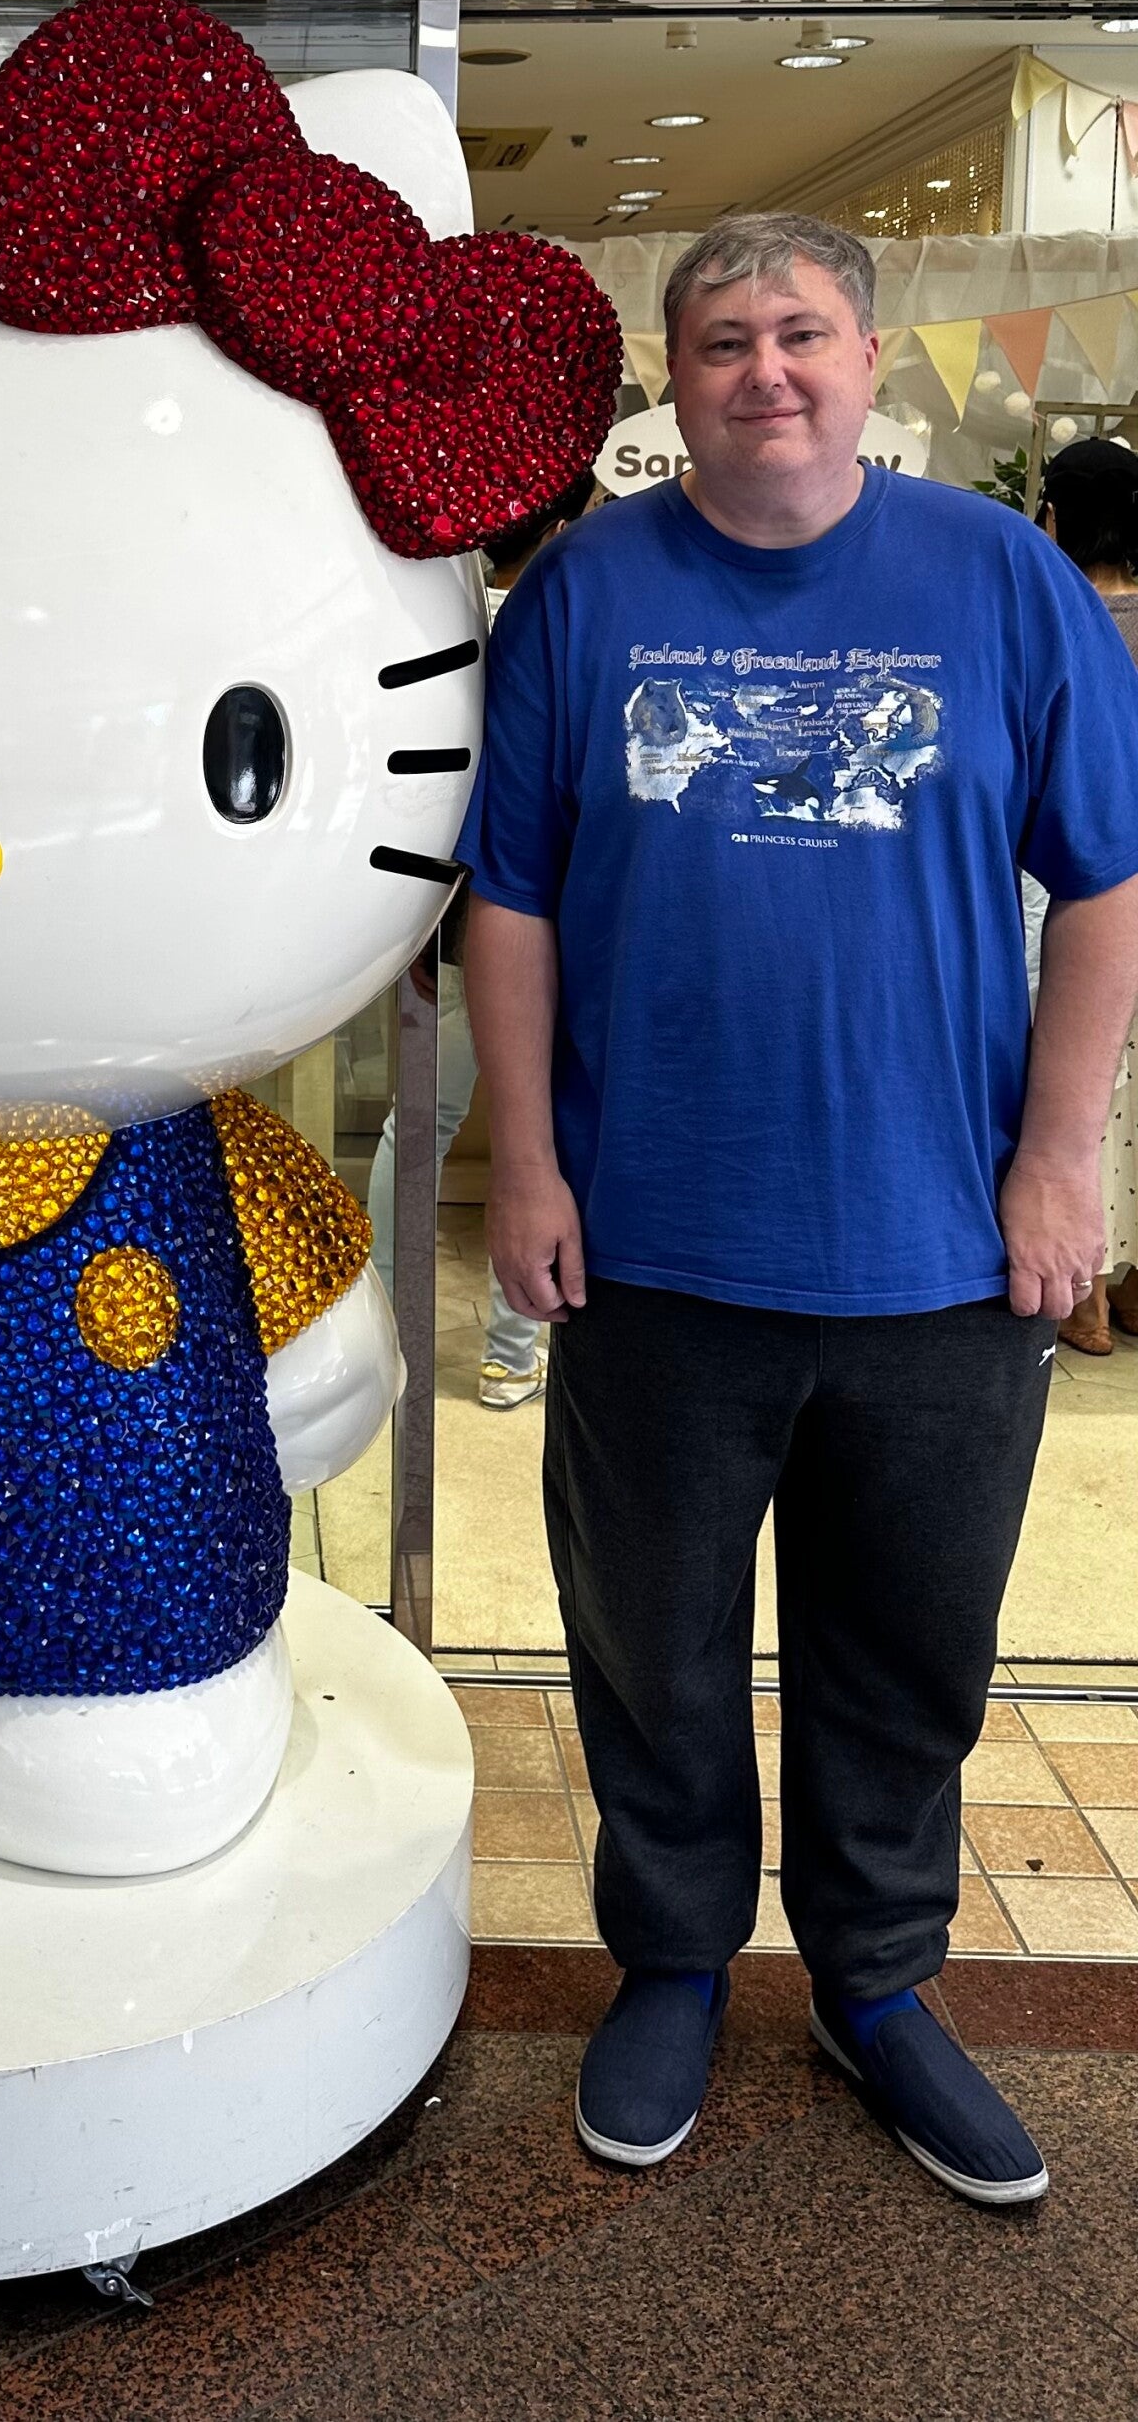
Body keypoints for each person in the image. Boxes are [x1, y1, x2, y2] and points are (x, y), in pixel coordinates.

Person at [457, 210, 1138, 2210]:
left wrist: (1062, 1156)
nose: (768, 367)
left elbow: (1105, 882)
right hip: (656, 1238)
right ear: (677, 381)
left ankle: (879, 1977)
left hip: (942, 1246)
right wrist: (529, 1160)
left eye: (805, 332)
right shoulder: (586, 591)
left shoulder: (999, 576)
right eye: (725, 338)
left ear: (866, 359)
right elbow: (509, 895)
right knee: (653, 1645)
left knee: (908, 1645)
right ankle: (674, 1958)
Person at [365, 473, 598, 1411]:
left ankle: (389, 1322)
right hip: (567, 918)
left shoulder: (441, 619)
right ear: (565, 520)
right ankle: (512, 1347)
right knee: (544, 1138)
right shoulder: (572, 620)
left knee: (418, 1122)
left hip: (455, 920)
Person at [1032, 436, 1138, 1352]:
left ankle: (1086, 1294)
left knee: (1078, 1075)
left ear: (1055, 514)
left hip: (1080, 876)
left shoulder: (1050, 615)